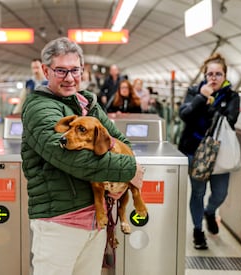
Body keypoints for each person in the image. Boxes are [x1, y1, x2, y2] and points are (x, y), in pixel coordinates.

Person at [20, 37, 143, 275]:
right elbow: (72, 159)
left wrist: (122, 175)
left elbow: (120, 141)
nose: (69, 77)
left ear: (82, 70)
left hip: (96, 220)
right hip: (60, 223)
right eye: (61, 70)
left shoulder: (88, 104)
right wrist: (130, 170)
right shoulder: (40, 108)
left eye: (74, 70)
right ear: (46, 70)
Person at [178, 53, 240, 250]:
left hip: (219, 154)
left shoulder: (231, 96)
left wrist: (211, 104)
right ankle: (198, 231)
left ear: (225, 76)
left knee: (220, 193)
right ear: (204, 75)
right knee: (198, 192)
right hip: (194, 152)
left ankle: (210, 211)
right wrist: (201, 97)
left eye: (218, 74)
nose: (213, 78)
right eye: (210, 74)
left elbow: (230, 119)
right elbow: (184, 115)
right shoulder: (194, 91)